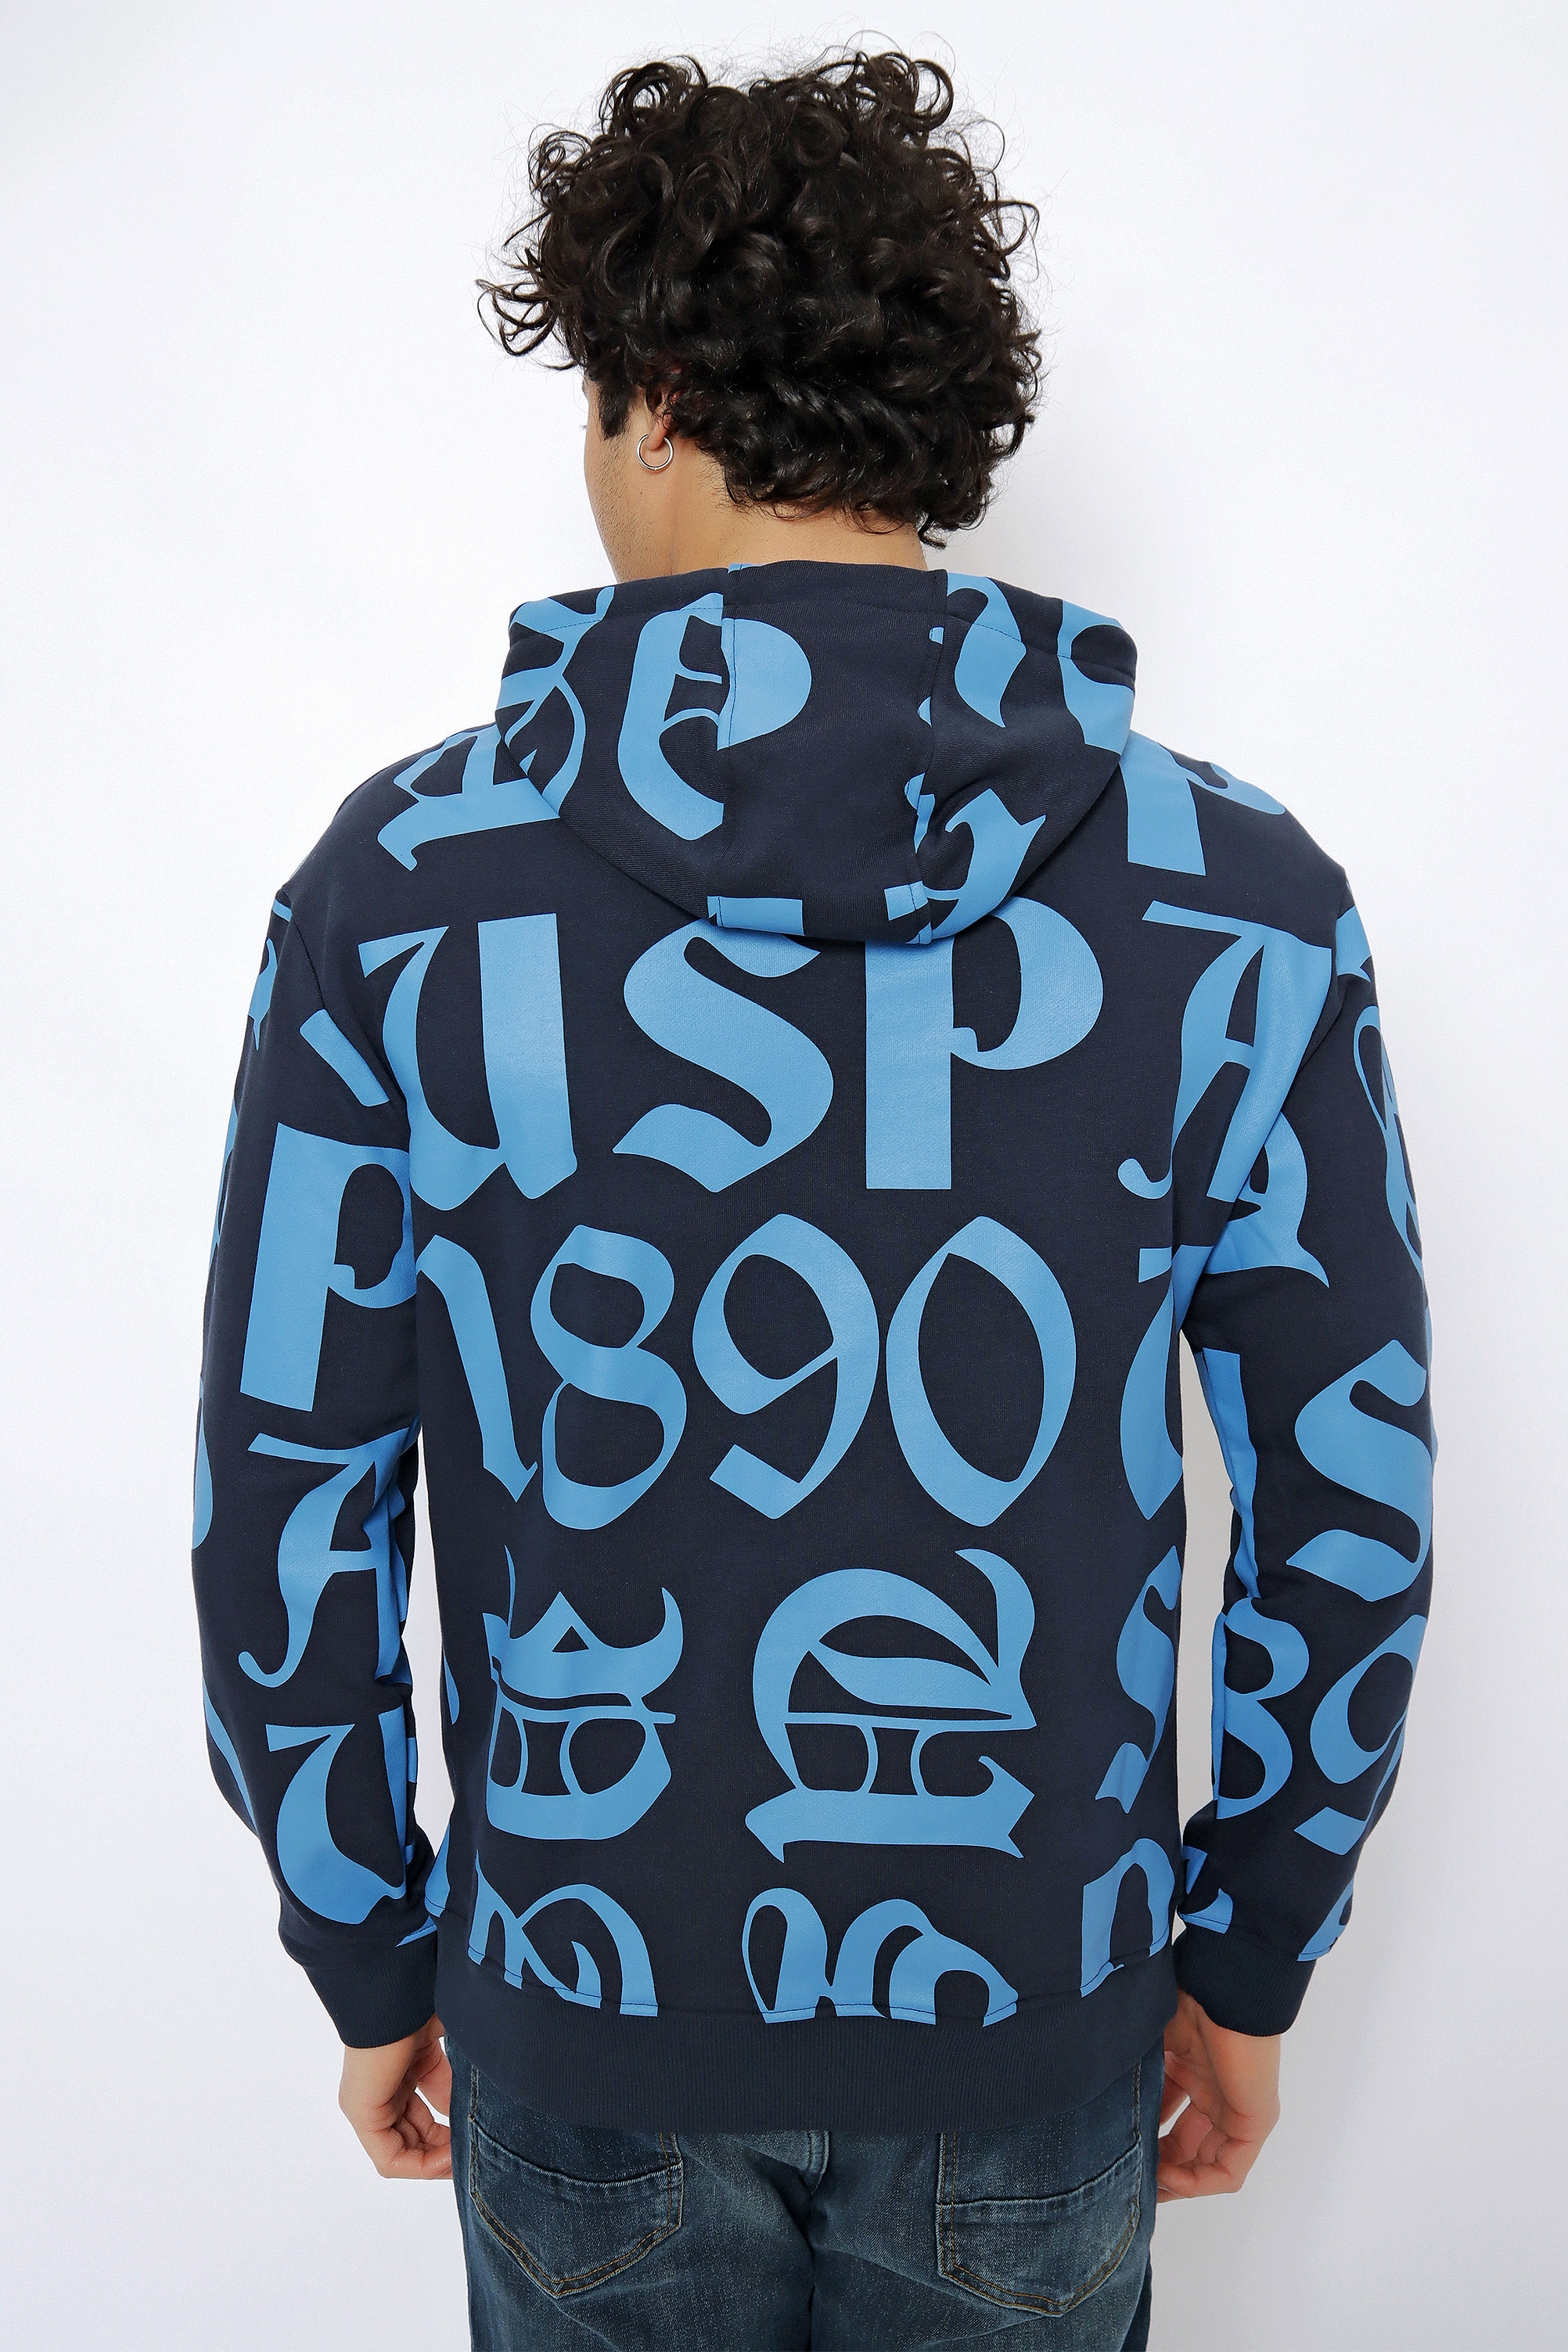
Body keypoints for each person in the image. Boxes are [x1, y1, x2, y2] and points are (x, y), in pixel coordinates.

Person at [190, 49, 1433, 2351]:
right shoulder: (1238, 899)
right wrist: (1250, 1951)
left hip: (584, 2008)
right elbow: (1346, 1493)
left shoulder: (403, 891)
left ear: (654, 398)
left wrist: (366, 1939)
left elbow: (286, 1476)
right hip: (1034, 2022)